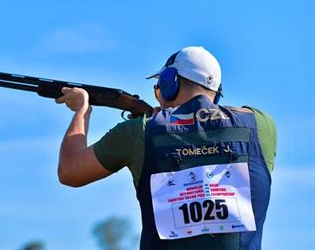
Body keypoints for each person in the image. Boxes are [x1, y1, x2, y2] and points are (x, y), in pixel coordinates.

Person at [55, 46, 277, 250]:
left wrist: (82, 111)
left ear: (169, 82)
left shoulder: (139, 132)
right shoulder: (261, 125)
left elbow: (70, 171)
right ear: (216, 93)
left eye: (159, 88)